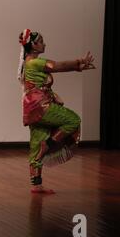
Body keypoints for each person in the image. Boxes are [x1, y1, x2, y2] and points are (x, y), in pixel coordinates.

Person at [17, 29, 95, 194]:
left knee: (35, 145)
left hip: (32, 109)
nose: (44, 44)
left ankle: (36, 184)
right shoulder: (33, 62)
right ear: (34, 45)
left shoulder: (27, 63)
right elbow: (57, 66)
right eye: (41, 41)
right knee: (73, 120)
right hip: (40, 107)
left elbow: (39, 86)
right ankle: (49, 144)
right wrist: (78, 63)